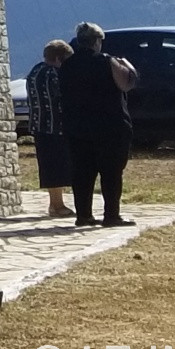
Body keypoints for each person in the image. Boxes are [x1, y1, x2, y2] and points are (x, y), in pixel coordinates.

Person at [57, 22, 137, 227]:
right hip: (109, 126)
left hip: (77, 126)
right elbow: (126, 83)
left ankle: (83, 215)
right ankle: (111, 215)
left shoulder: (67, 65)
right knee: (111, 172)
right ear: (96, 41)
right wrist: (126, 65)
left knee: (82, 172)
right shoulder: (107, 61)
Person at [24, 40, 75, 219]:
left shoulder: (35, 71)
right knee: (57, 166)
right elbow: (63, 97)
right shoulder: (54, 74)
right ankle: (57, 205)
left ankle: (55, 203)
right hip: (55, 126)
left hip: (39, 125)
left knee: (48, 165)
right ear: (59, 58)